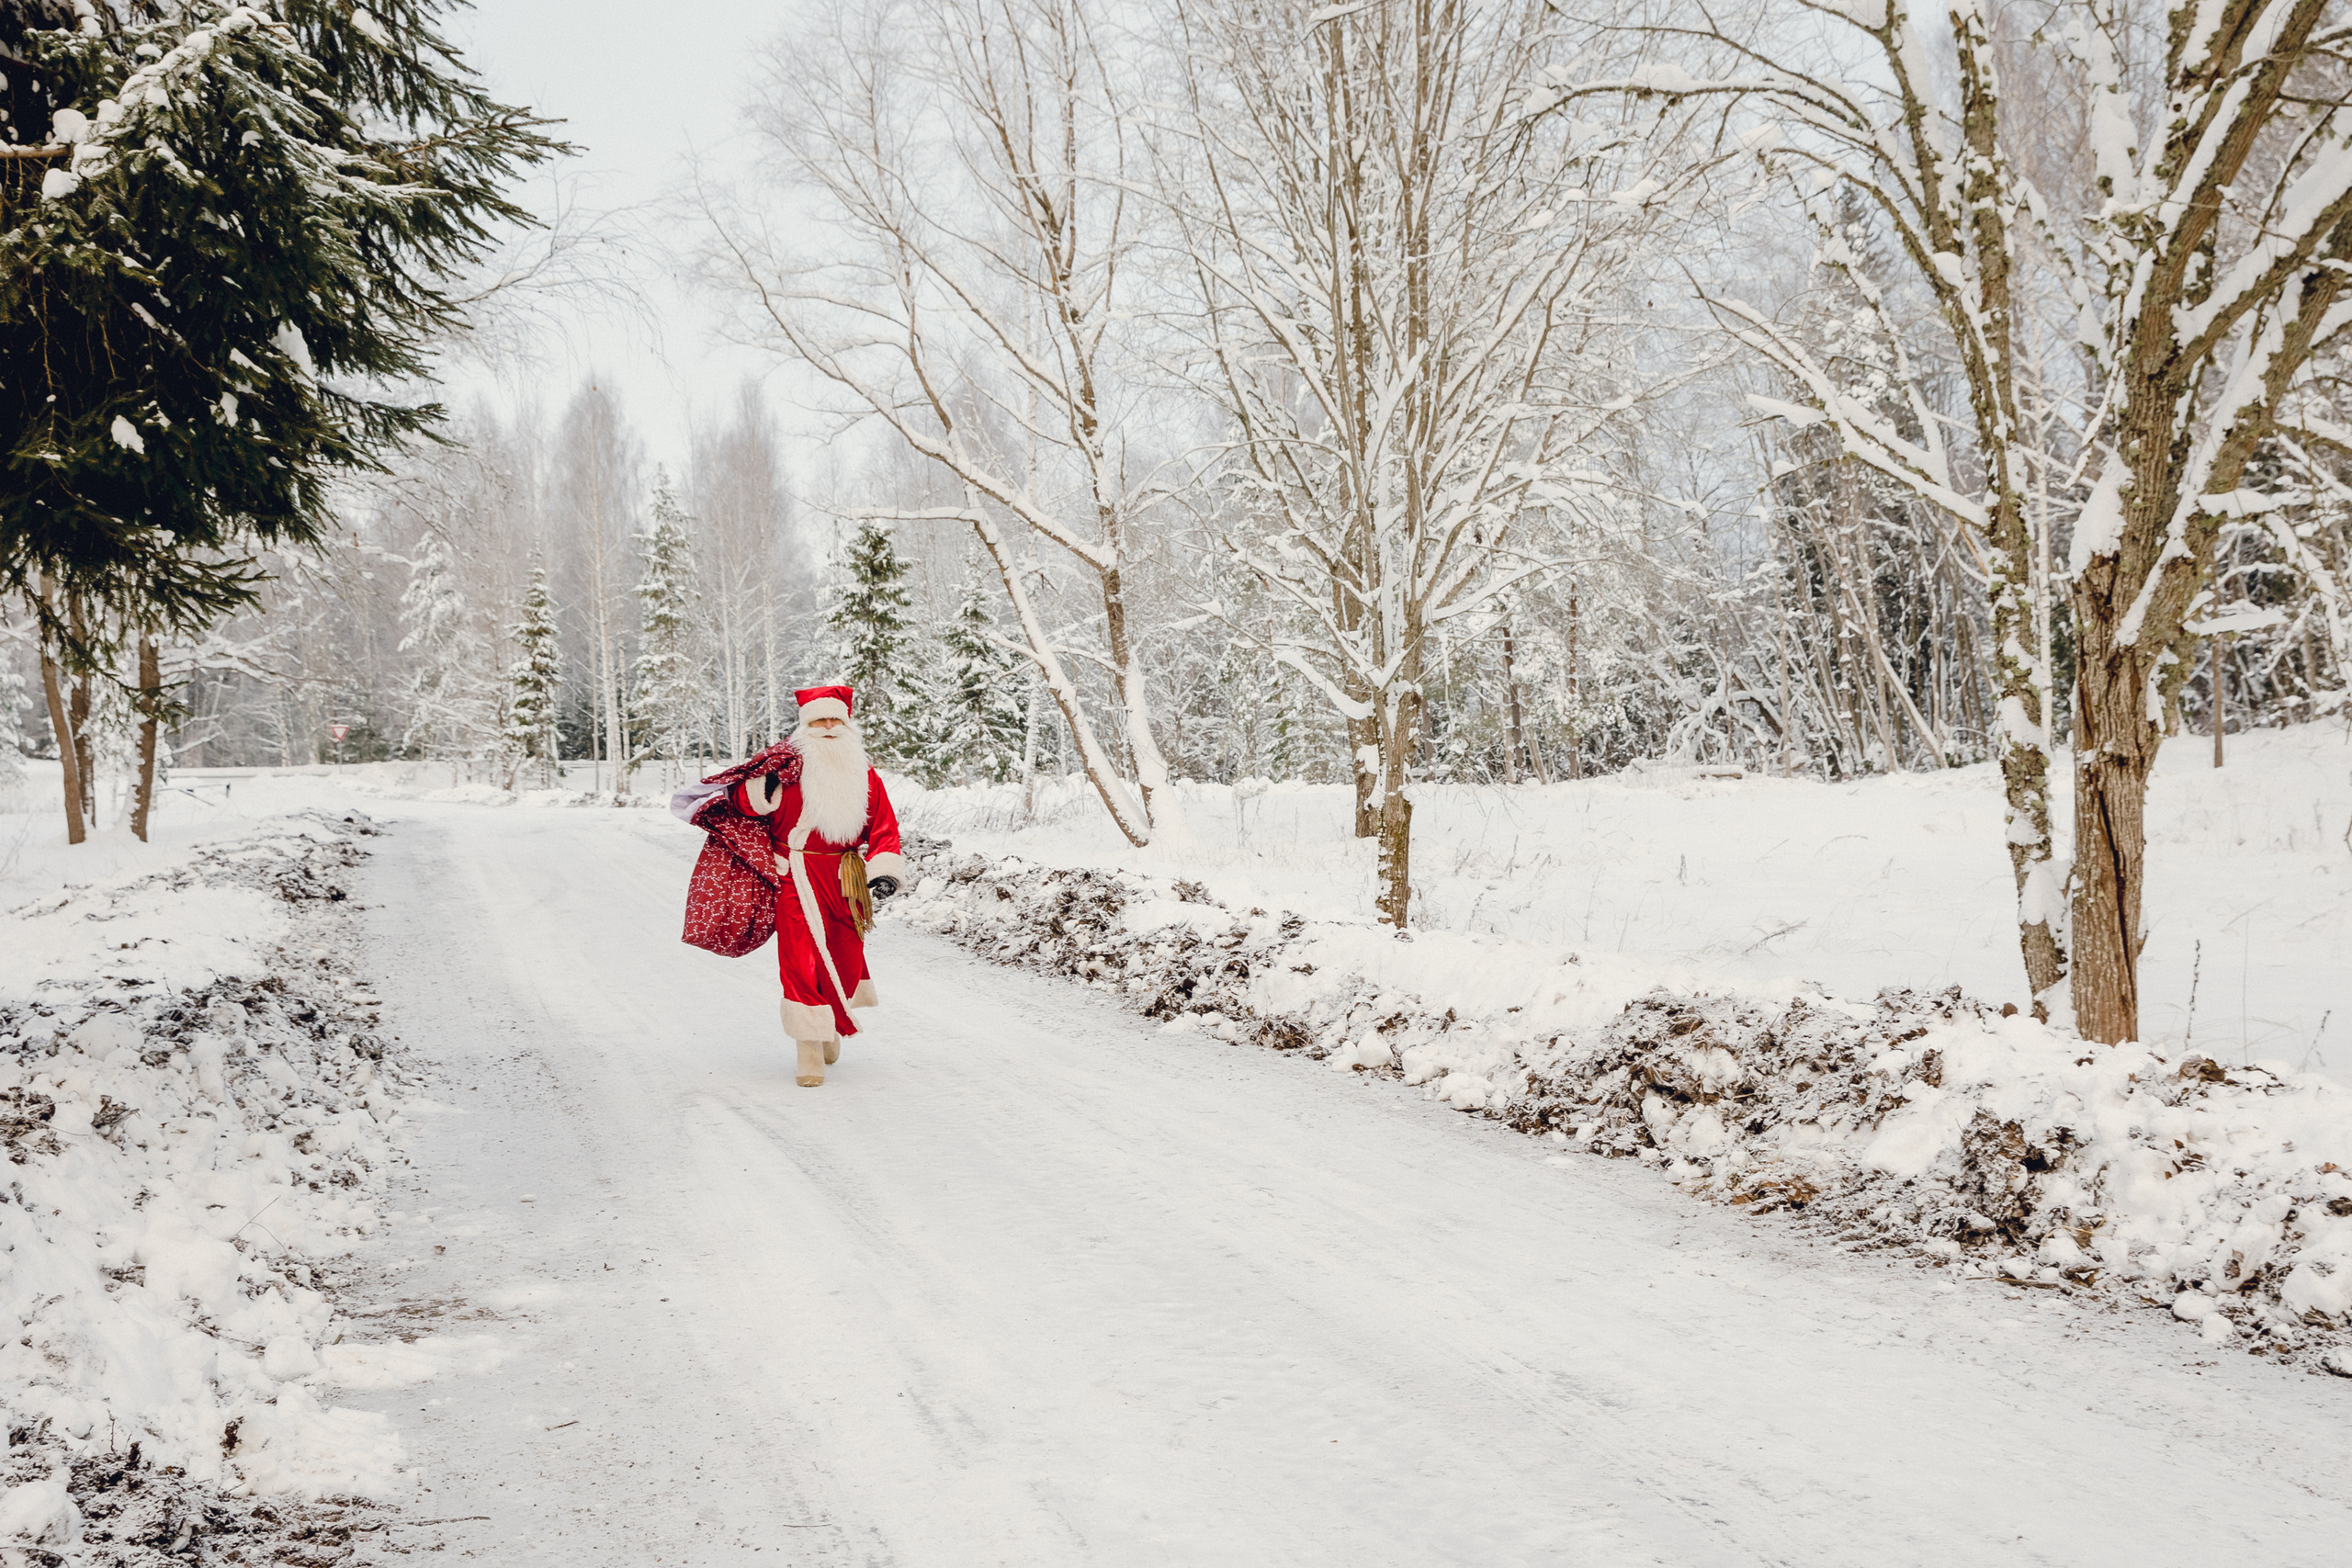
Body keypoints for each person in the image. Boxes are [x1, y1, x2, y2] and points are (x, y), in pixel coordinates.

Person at [728, 685, 905, 1086]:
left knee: (844, 955)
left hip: (845, 876)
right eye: (819, 720)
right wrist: (763, 789)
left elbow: (884, 826)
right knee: (800, 958)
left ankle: (829, 1023)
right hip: (796, 874)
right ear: (805, 727)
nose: (827, 726)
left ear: (847, 725)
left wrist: (884, 870)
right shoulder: (785, 768)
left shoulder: (865, 775)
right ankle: (808, 1046)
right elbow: (742, 803)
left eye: (835, 719)